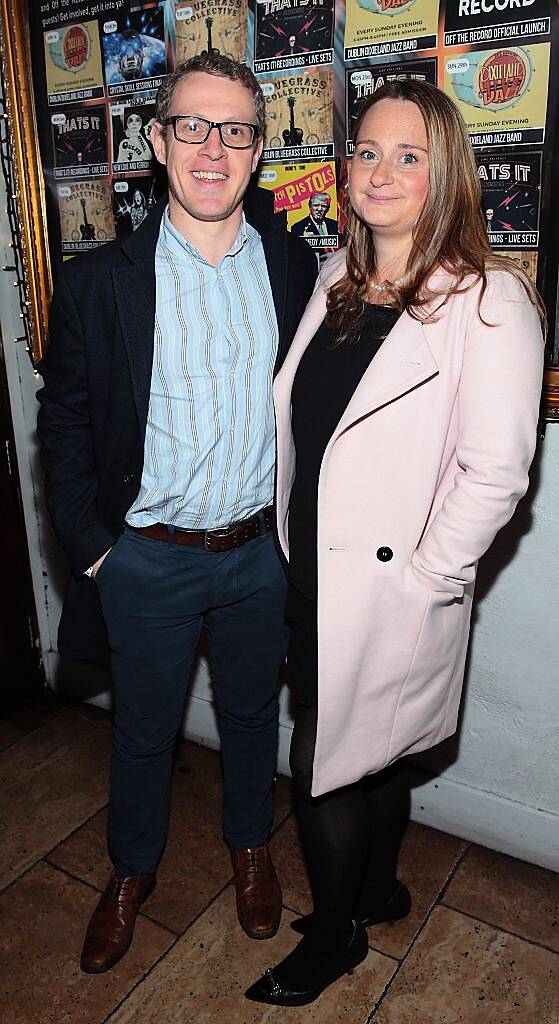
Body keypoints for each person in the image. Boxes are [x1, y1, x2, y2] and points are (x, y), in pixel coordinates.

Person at [246, 79, 544, 1007]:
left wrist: (426, 580)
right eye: (367, 152)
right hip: (311, 571)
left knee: (326, 762)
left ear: (443, 170)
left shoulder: (488, 298)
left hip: (390, 589)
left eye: (407, 155)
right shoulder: (337, 276)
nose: (380, 172)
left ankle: (333, 937)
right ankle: (372, 891)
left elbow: (495, 472)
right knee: (372, 752)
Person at [37, 54, 316, 974]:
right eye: (190, 126)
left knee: (247, 720)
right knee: (144, 731)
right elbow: (66, 430)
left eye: (234, 129)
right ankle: (129, 874)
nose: (212, 147)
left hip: (253, 556)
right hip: (145, 559)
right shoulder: (97, 281)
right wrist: (96, 552)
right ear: (156, 142)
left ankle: (249, 851)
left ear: (257, 149)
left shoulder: (289, 262)